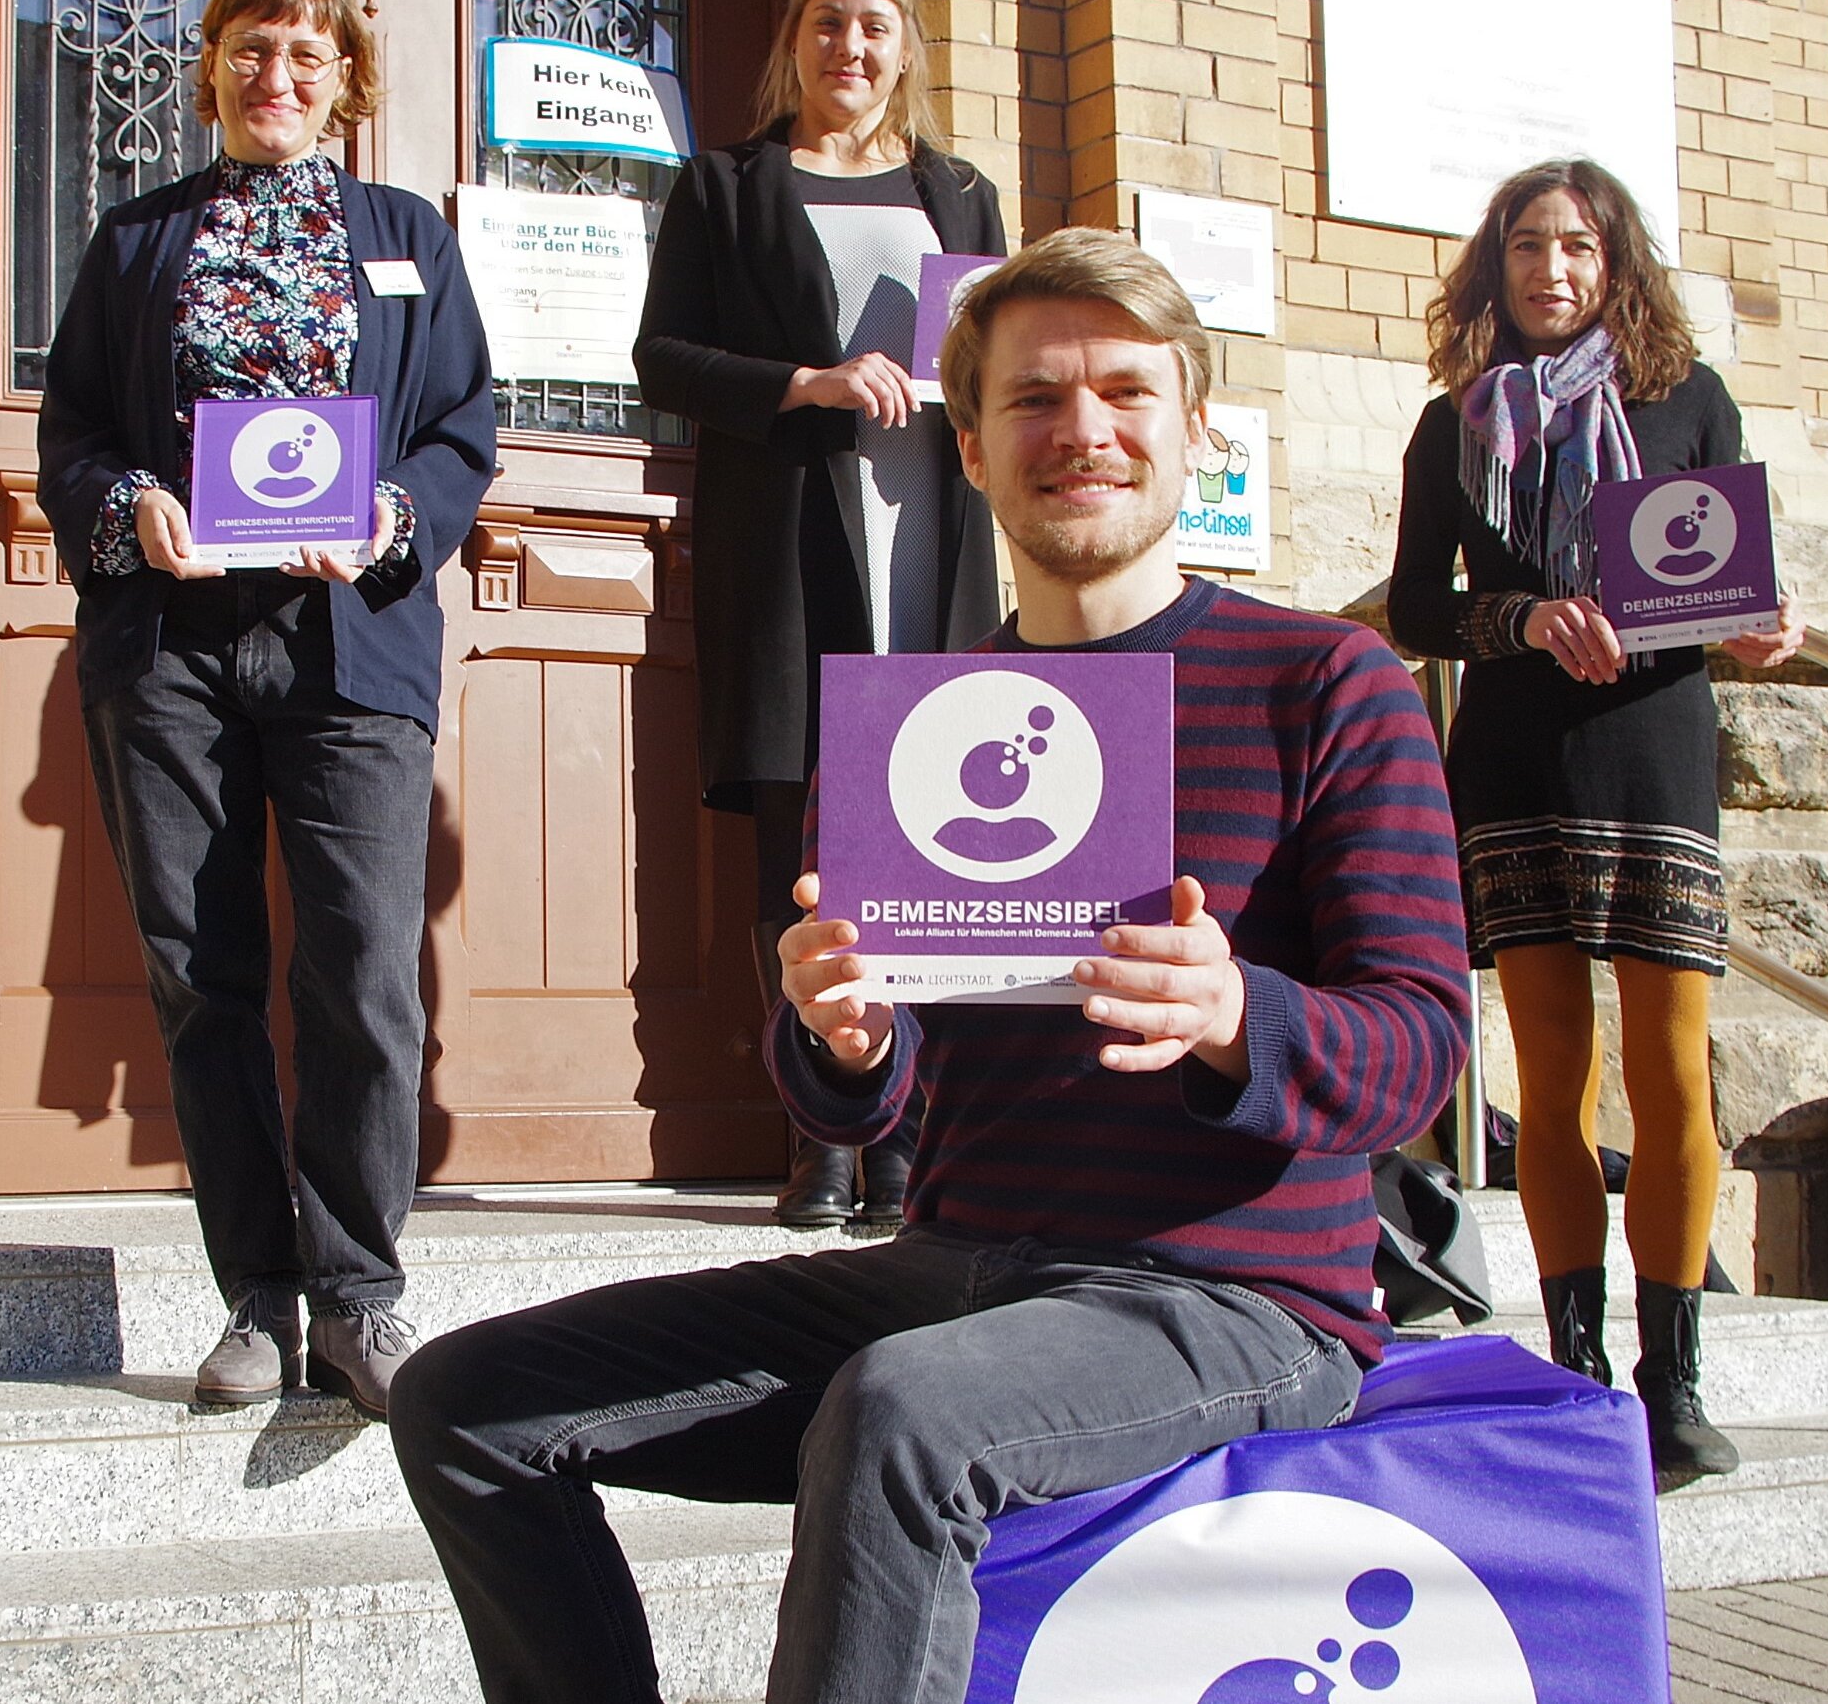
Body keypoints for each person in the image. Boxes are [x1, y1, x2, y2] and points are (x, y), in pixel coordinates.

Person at [390, 231, 1470, 1704]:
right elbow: (862, 1115)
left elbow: (1418, 1042)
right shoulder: (923, 723)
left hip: (1230, 1296)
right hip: (957, 1271)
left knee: (904, 1412)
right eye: (1034, 398)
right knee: (468, 1401)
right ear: (968, 445)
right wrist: (840, 1040)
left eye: (1126, 393)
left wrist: (1236, 1013)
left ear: (1194, 431)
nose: (1082, 429)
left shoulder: (1328, 685)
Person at [38, 0, 499, 1418]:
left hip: (347, 641)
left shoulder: (408, 237)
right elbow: (74, 439)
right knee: (201, 974)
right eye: (251, 50)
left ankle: (360, 1288)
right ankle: (257, 1294)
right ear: (213, 69)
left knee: (365, 967)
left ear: (346, 81)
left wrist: (392, 519)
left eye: (307, 56)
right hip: (169, 646)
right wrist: (130, 509)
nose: (277, 77)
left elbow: (461, 432)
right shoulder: (132, 242)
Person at [1382, 157, 1804, 1479]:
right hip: (1516, 755)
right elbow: (1413, 607)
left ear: (1616, 261)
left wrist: (1765, 625)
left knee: (1675, 1068)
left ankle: (1672, 1382)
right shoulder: (1454, 423)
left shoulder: (1690, 403)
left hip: (1656, 749)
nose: (1552, 271)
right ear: (1495, 266)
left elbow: (1735, 574)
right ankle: (1574, 1373)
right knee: (1550, 1075)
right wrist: (1521, 615)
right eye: (1527, 248)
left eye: (1577, 247)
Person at [635, 0, 1008, 1232]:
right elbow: (666, 362)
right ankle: (821, 1135)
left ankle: (905, 1132)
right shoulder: (726, 190)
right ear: (793, 40)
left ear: (906, 49)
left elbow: (996, 351)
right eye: (830, 24)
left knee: (927, 841)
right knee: (797, 844)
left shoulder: (961, 194)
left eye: (876, 28)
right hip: (794, 545)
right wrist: (809, 384)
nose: (851, 49)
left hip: (935, 545)